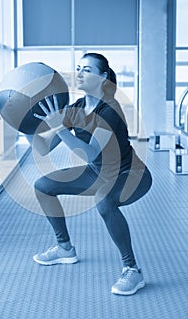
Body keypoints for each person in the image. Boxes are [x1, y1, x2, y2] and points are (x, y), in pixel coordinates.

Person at [31, 53, 152, 296]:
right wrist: (27, 124)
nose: (80, 73)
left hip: (131, 174)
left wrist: (59, 126)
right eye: (78, 68)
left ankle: (132, 270)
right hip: (97, 174)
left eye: (87, 69)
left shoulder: (110, 111)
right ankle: (64, 248)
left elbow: (91, 153)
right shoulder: (74, 109)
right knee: (43, 185)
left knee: (104, 200)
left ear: (103, 77)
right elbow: (43, 148)